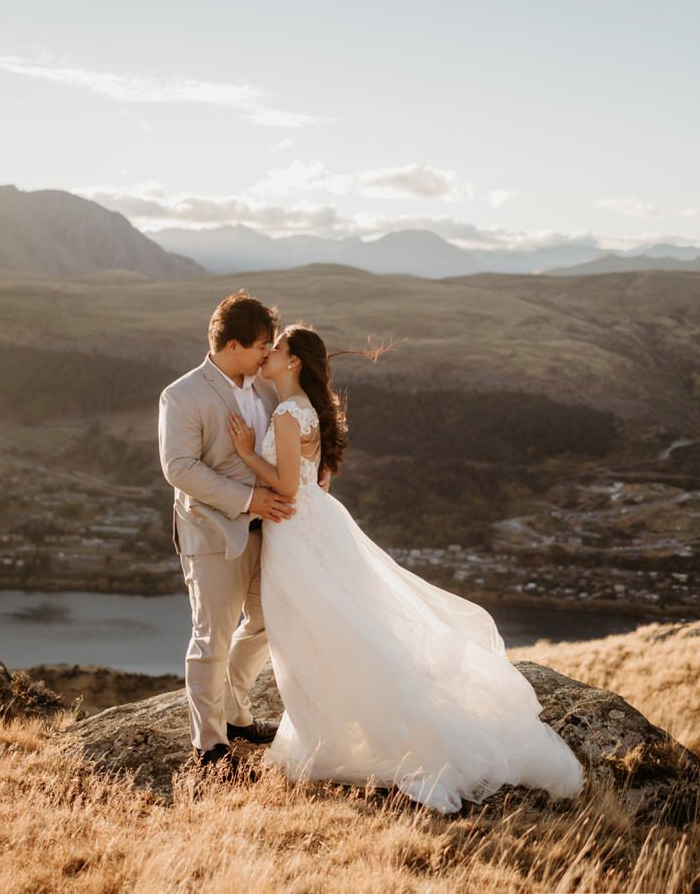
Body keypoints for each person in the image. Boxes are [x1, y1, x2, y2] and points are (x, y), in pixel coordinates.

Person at [227, 324, 585, 813]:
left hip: (294, 534)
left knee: (308, 636)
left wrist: (247, 453)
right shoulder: (302, 410)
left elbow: (288, 486)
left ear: (294, 363)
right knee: (325, 632)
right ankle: (323, 733)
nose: (267, 354)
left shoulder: (290, 413)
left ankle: (336, 738)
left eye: (277, 349)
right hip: (310, 527)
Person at [158, 291, 296, 767]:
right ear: (232, 344)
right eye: (262, 344)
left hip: (274, 533)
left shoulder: (266, 388)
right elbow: (179, 468)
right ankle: (211, 744)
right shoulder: (182, 393)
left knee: (264, 624)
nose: (268, 353)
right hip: (213, 532)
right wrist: (248, 499)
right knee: (212, 636)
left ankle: (237, 712)